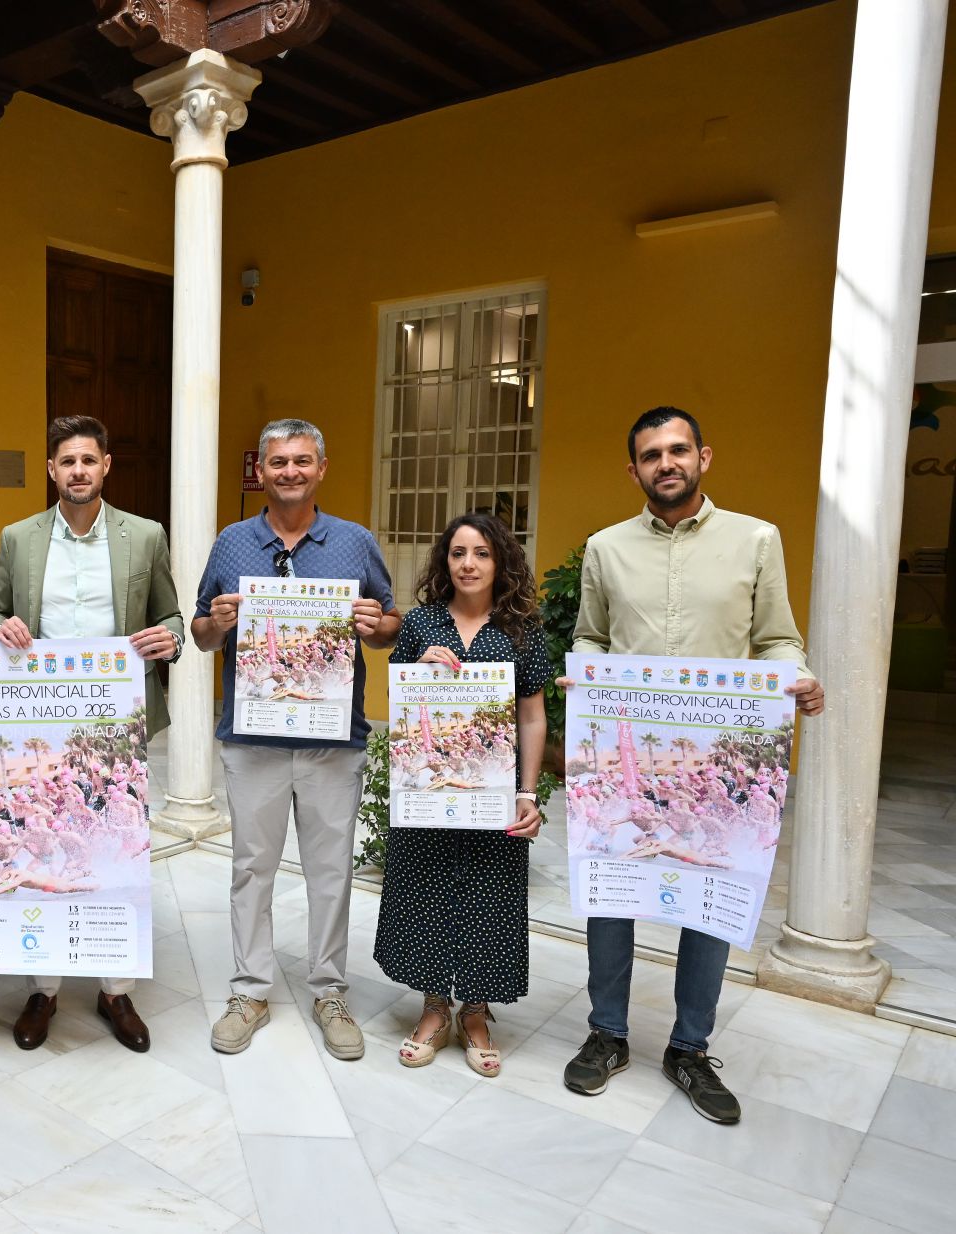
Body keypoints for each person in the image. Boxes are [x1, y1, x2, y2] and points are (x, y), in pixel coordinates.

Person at [561, 406, 824, 1124]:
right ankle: (607, 1033)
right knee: (613, 880)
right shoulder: (606, 548)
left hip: (713, 754)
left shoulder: (756, 539)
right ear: (634, 470)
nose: (666, 463)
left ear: (703, 457)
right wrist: (583, 676)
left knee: (712, 886)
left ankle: (689, 1047)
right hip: (631, 753)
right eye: (651, 455)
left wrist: (796, 677)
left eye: (678, 450)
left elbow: (777, 639)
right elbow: (591, 636)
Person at [193, 418, 398, 1058]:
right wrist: (216, 623)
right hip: (252, 738)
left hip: (332, 740)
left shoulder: (355, 542)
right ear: (261, 471)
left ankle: (329, 991)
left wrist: (377, 625)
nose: (290, 472)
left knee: (330, 871)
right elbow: (199, 633)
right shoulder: (231, 543)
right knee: (251, 867)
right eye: (278, 462)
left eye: (302, 461)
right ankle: (250, 990)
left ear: (321, 468)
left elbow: (390, 624)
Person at [0, 415, 184, 1053]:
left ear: (106, 466)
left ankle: (115, 989)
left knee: (115, 848)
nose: (78, 471)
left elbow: (171, 614)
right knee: (45, 842)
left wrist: (170, 638)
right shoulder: (18, 537)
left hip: (117, 723)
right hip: (40, 720)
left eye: (88, 460)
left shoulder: (144, 535)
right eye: (67, 461)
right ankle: (43, 988)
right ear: (52, 470)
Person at [371, 512, 548, 1076]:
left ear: (501, 562)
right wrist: (419, 669)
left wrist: (527, 792)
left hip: (491, 792)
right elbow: (400, 703)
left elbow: (532, 717)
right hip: (428, 790)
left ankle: (475, 1012)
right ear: (444, 562)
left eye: (481, 553)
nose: (468, 564)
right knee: (424, 890)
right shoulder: (421, 624)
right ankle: (433, 1008)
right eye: (457, 553)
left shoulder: (522, 630)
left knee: (489, 896)